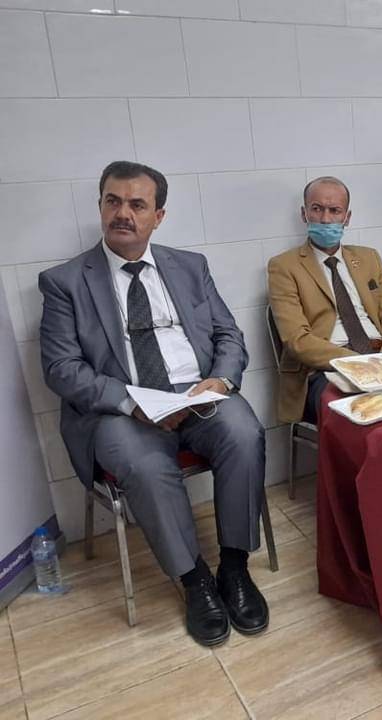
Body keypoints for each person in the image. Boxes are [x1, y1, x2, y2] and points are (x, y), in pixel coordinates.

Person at [39, 161, 268, 647]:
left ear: (158, 216)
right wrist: (129, 401)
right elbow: (61, 368)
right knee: (145, 465)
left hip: (197, 394)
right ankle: (194, 580)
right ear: (101, 206)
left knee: (244, 433)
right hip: (121, 407)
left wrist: (221, 380)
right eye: (113, 201)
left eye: (137, 204)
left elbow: (228, 334)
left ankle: (234, 567)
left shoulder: (190, 266)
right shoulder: (65, 282)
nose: (123, 213)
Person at [267, 176, 382, 425]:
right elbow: (297, 340)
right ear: (304, 213)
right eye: (317, 209)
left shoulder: (369, 258)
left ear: (347, 218)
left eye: (334, 210)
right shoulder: (284, 267)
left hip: (381, 358)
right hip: (326, 369)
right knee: (364, 414)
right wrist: (355, 363)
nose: (325, 219)